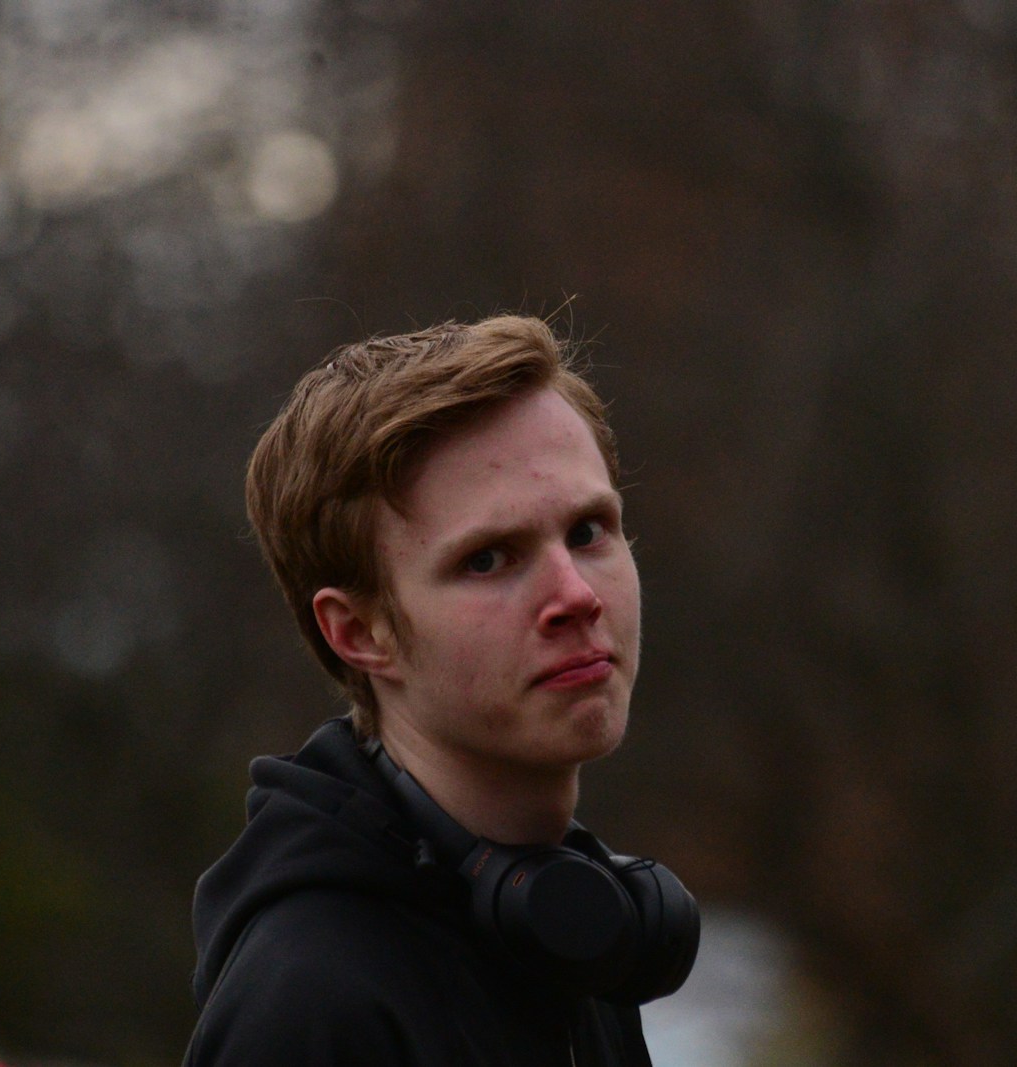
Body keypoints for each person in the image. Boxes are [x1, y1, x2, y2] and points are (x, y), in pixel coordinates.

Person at [185, 315, 699, 1067]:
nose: (576, 595)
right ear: (359, 632)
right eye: (489, 558)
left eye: (589, 531)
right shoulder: (317, 1004)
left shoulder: (577, 943)